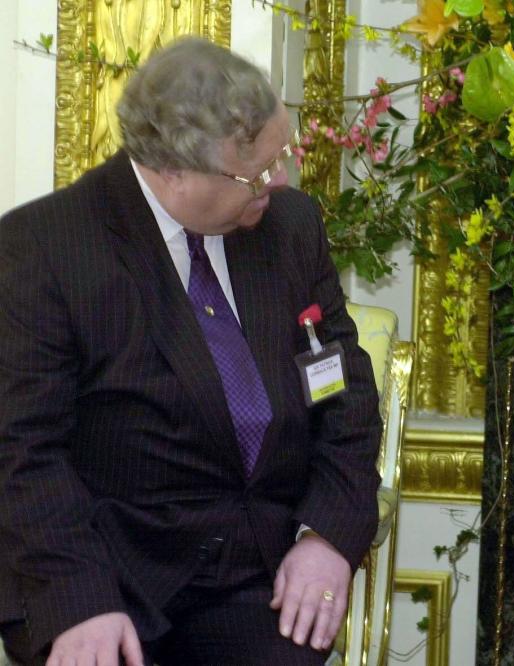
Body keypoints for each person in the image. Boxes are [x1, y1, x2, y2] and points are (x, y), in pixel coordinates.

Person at [0, 37, 383, 666]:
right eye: (255, 172)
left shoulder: (288, 227)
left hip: (252, 582)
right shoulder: (45, 248)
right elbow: (23, 452)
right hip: (105, 577)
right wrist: (77, 599)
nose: (277, 179)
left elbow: (344, 395)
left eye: (278, 156)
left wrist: (326, 536)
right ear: (173, 169)